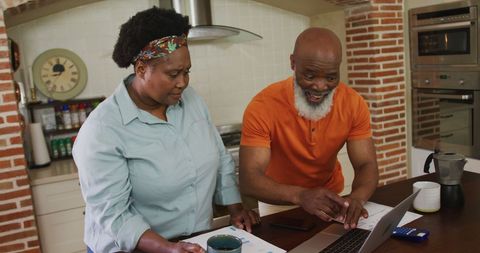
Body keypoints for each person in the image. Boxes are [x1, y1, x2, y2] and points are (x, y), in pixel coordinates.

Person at [73, 7, 259, 253]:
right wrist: (167, 248)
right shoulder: (102, 131)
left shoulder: (191, 100)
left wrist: (235, 209)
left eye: (186, 71)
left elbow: (220, 156)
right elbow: (114, 215)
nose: (183, 82)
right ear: (141, 69)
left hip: (194, 240)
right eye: (173, 74)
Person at [239, 27, 378, 230]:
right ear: (293, 63)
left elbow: (366, 163)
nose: (320, 86)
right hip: (278, 206)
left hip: (331, 202)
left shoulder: (354, 103)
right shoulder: (263, 106)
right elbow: (249, 178)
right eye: (310, 76)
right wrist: (300, 195)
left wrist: (357, 198)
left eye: (331, 78)